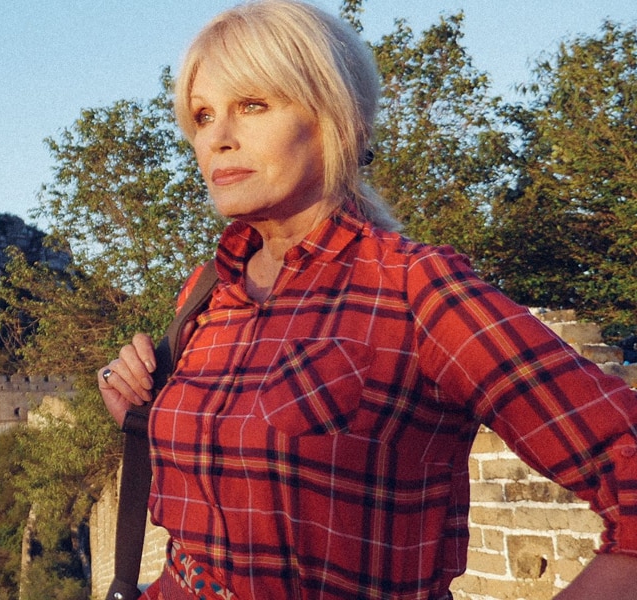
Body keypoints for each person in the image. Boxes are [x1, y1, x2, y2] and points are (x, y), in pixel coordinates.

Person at [95, 1, 637, 599]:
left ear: (334, 117)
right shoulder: (207, 290)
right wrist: (149, 413)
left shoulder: (414, 288)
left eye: (252, 106)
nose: (217, 138)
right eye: (201, 116)